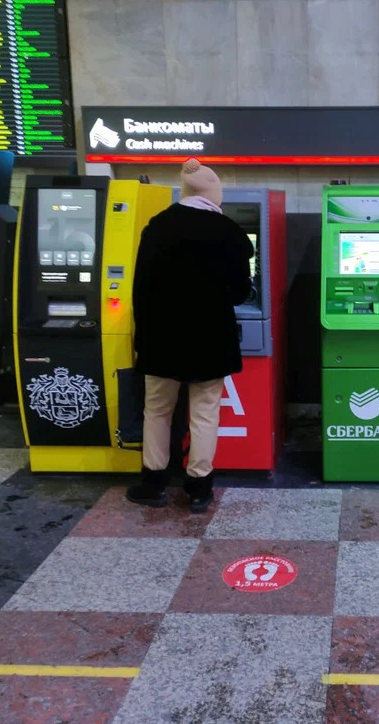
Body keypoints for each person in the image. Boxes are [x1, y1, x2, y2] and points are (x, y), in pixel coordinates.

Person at [127, 159, 254, 512]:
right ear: (213, 193)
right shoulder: (229, 232)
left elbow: (140, 288)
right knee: (204, 412)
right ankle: (199, 488)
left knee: (157, 411)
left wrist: (142, 337)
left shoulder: (156, 227)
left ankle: (153, 484)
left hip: (161, 339)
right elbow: (240, 293)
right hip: (209, 341)